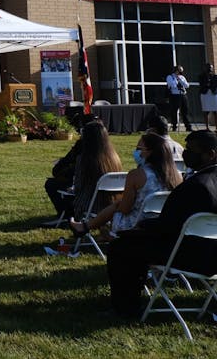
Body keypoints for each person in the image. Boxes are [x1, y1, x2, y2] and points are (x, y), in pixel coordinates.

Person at [106, 130, 217, 319]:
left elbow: (168, 227)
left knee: (121, 246)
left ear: (210, 154)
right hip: (209, 249)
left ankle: (126, 307)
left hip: (195, 254)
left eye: (191, 149)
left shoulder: (196, 186)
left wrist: (141, 228)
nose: (186, 153)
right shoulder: (203, 181)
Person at [69, 131, 182, 237]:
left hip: (136, 225)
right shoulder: (177, 176)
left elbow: (125, 209)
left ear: (149, 151)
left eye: (139, 148)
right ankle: (91, 228)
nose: (137, 152)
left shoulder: (136, 175)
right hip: (164, 223)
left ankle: (86, 227)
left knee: (118, 205)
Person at [70, 120, 124, 218]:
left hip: (89, 207)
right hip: (111, 207)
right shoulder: (115, 158)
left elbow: (78, 186)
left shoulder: (84, 159)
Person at [166, 65, 191, 132]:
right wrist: (176, 81)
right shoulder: (170, 77)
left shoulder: (182, 77)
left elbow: (187, 85)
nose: (181, 72)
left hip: (183, 95)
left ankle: (188, 126)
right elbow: (172, 85)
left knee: (185, 111)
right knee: (174, 111)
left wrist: (180, 80)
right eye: (180, 71)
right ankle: (174, 126)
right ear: (176, 70)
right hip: (175, 96)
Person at [198, 63, 217, 131]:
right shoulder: (201, 76)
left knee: (215, 111)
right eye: (208, 67)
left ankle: (216, 127)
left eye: (211, 68)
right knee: (206, 111)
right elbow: (201, 84)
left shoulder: (215, 76)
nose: (210, 69)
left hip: (213, 94)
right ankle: (207, 127)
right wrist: (207, 84)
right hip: (205, 94)